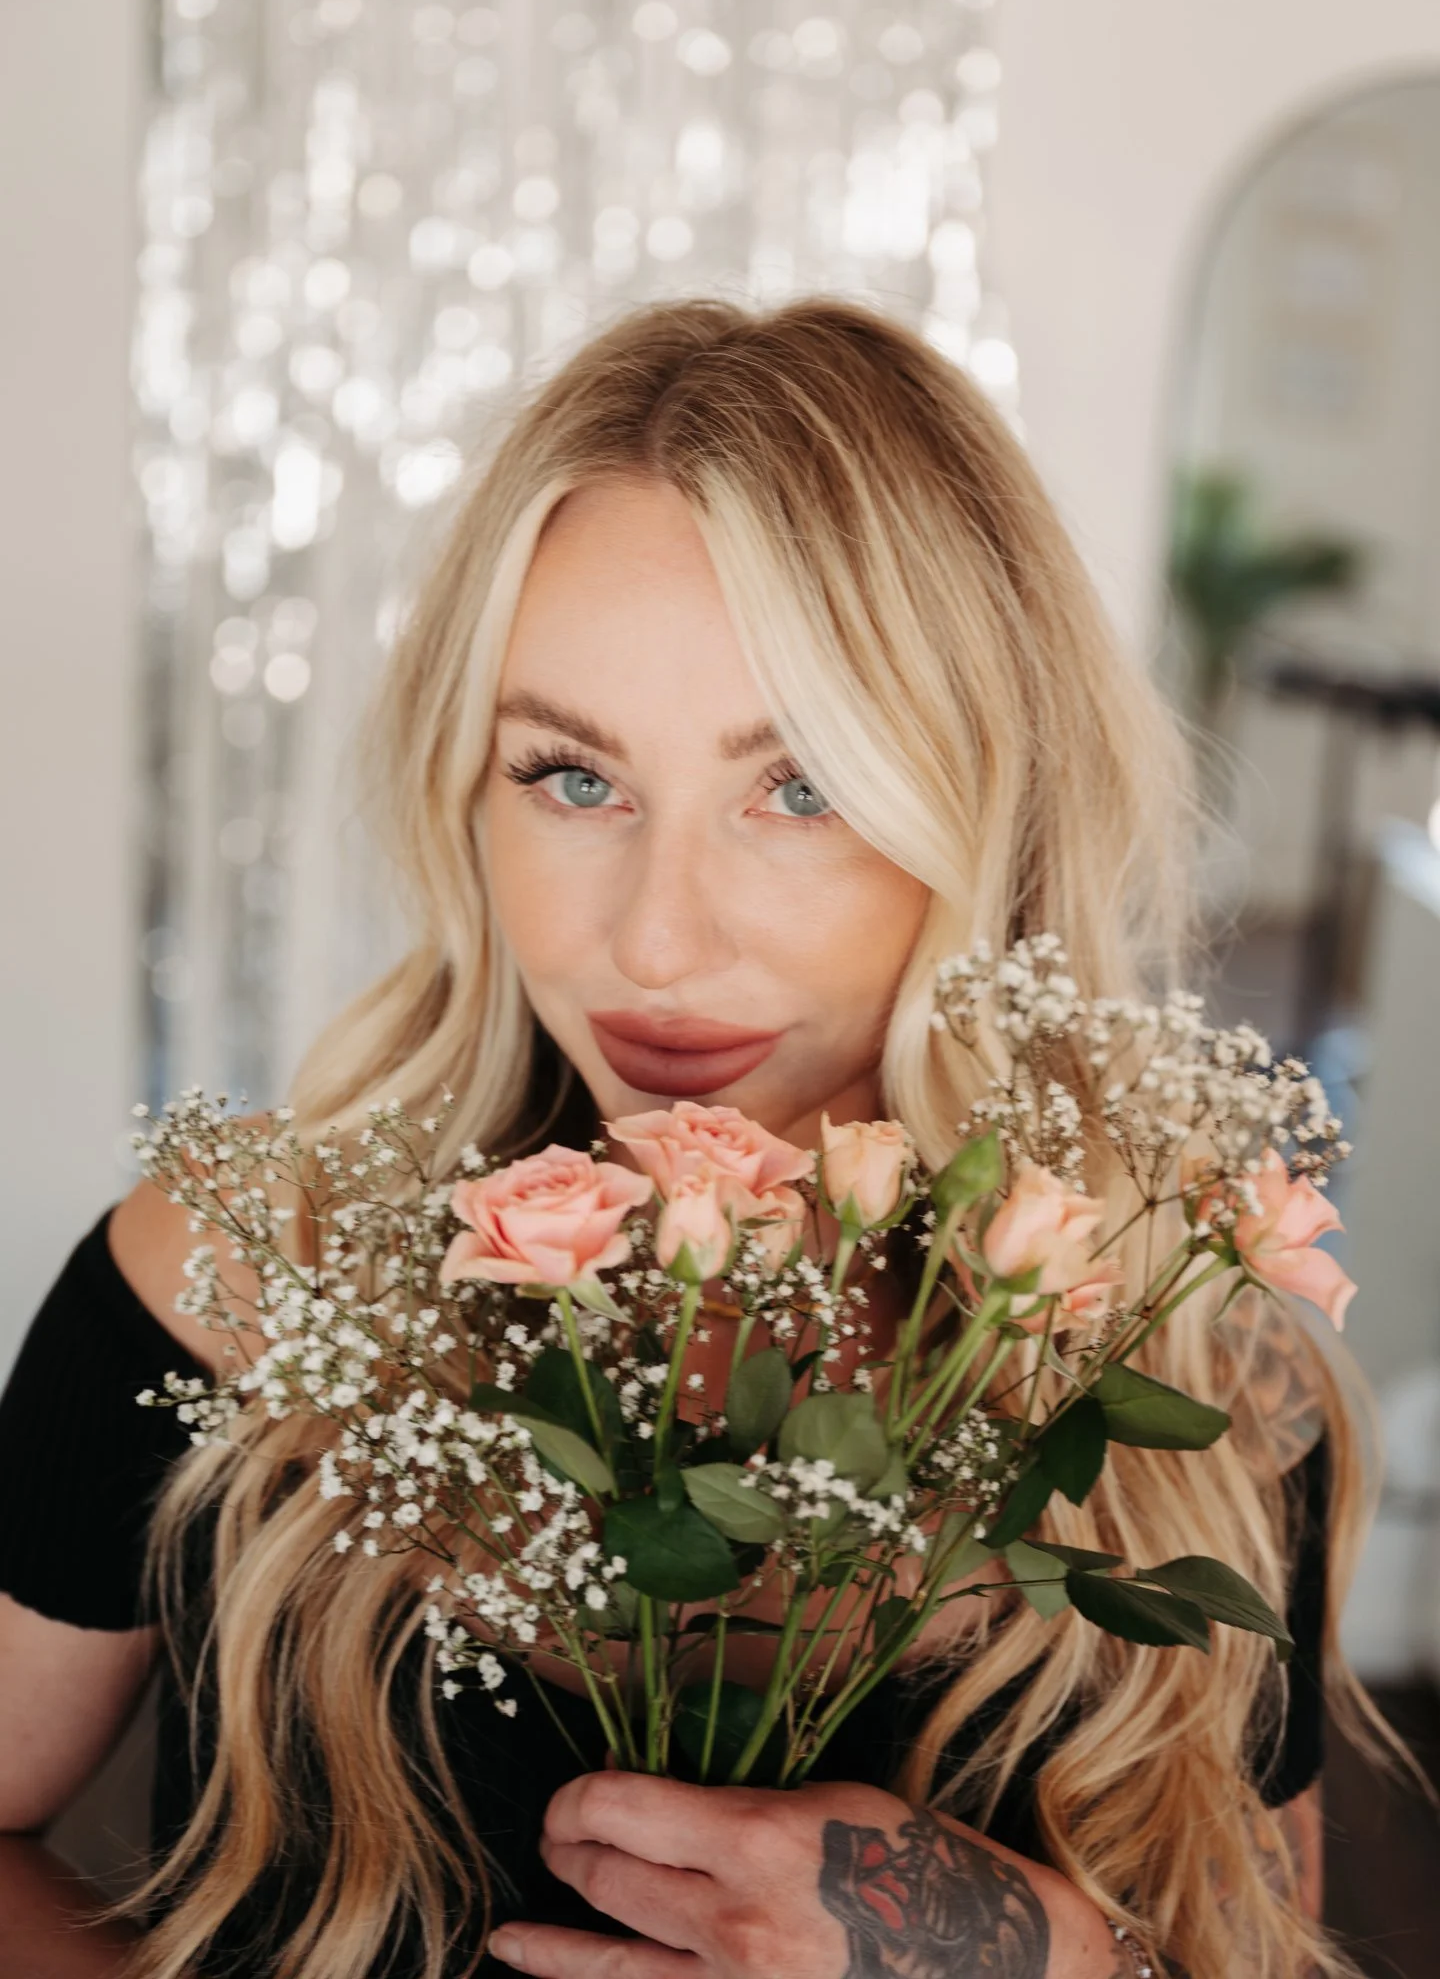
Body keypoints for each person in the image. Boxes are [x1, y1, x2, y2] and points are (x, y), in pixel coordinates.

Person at [0, 297, 1375, 1979]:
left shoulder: (1194, 1370)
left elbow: (1255, 1935)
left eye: (802, 789)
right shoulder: (235, 1268)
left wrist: (1030, 1953)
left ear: (988, 809)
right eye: (572, 777)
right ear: (467, 785)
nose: (655, 944)